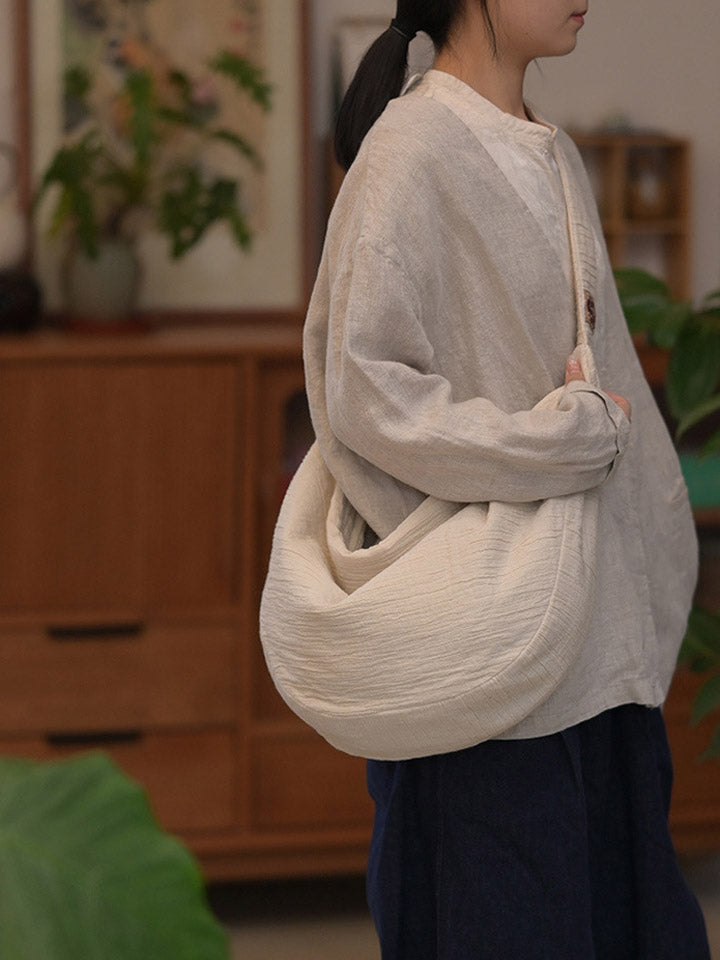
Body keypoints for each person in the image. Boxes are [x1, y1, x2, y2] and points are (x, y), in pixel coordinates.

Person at [302, 1, 711, 956]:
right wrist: (557, 444)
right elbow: (363, 392)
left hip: (598, 658)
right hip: (490, 677)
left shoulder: (548, 150)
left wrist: (651, 571)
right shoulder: (409, 153)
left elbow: (609, 400)